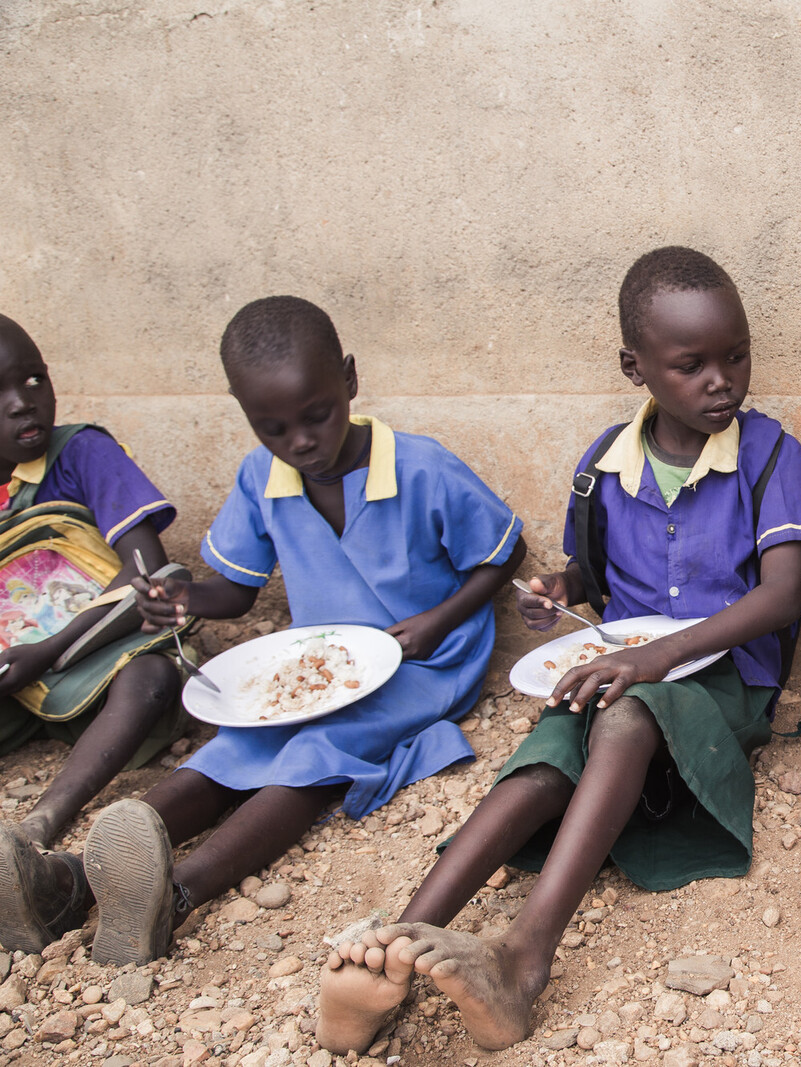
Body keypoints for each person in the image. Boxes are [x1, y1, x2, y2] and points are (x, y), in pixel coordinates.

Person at [315, 247, 801, 1053]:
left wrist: (654, 660)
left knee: (625, 714)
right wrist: (559, 592)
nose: (722, 380)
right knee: (549, 748)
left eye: (735, 355)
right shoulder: (603, 465)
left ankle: (524, 960)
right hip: (624, 664)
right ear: (636, 368)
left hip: (725, 683)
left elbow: (779, 596)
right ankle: (400, 939)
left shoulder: (770, 456)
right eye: (691, 364)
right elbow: (595, 578)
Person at [0, 296, 526, 967]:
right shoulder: (262, 476)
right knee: (235, 745)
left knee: (314, 754)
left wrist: (437, 620)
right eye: (272, 427)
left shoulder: (421, 466)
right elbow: (238, 590)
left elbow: (502, 551)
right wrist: (181, 596)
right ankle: (71, 880)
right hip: (323, 666)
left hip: (425, 666)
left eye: (316, 415)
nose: (300, 441)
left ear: (350, 380)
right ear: (246, 416)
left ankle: (178, 895)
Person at [0, 315, 193, 952]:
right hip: (20, 680)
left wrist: (49, 651)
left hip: (104, 644)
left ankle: (41, 823)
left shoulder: (82, 453)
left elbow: (148, 573)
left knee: (154, 672)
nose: (23, 400)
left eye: (34, 378)